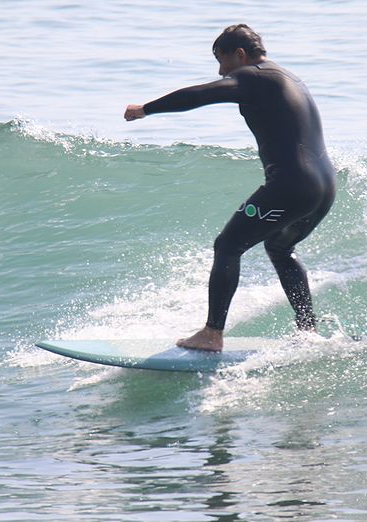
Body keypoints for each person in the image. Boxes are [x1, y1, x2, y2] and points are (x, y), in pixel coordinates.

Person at [124, 24, 335, 352]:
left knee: (227, 245)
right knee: (279, 248)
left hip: (290, 186)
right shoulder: (290, 78)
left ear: (240, 54)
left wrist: (145, 109)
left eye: (222, 61)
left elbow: (201, 95)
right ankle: (308, 330)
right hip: (323, 188)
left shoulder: (255, 75)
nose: (221, 72)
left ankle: (212, 334)